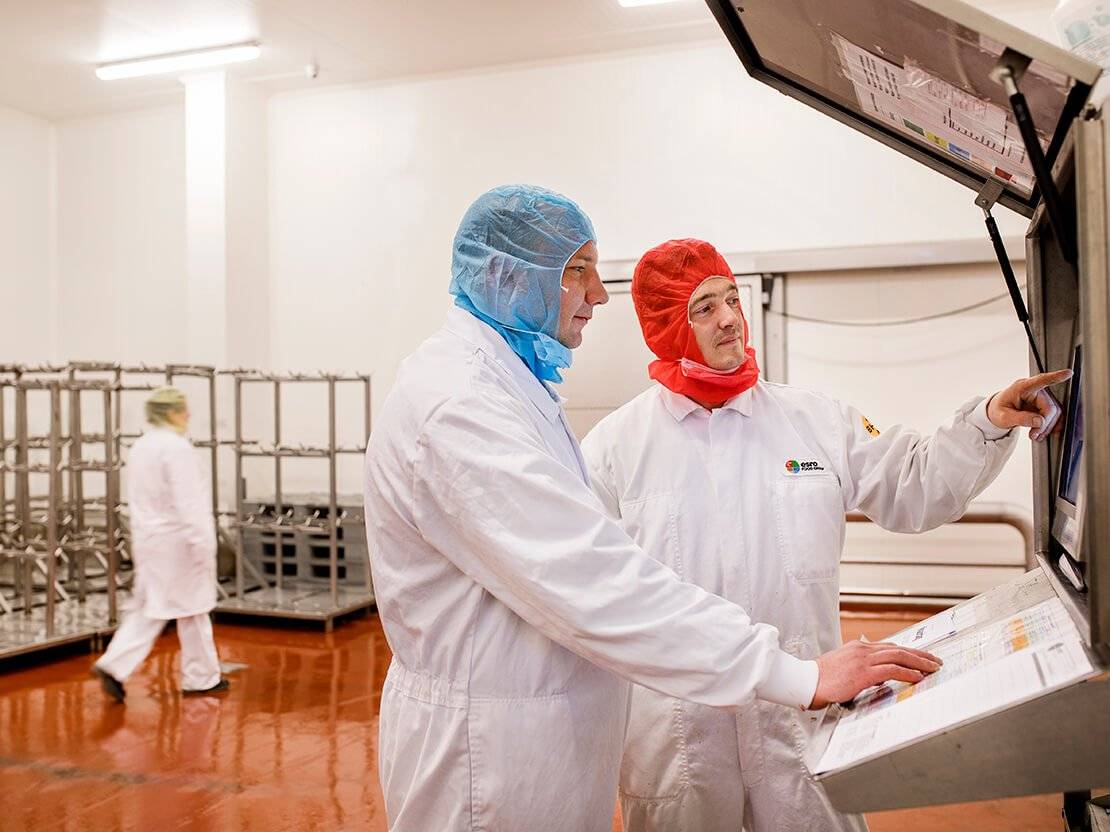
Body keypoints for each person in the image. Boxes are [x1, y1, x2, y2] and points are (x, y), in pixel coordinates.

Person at [363, 187, 940, 832]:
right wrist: (792, 675)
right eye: (578, 270)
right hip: (493, 758)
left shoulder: (513, 390)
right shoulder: (466, 407)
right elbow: (596, 579)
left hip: (546, 739)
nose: (599, 293)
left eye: (732, 300)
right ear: (506, 277)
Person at [580, 237, 1071, 832]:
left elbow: (914, 487)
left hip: (801, 719)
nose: (730, 318)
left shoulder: (813, 420)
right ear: (664, 327)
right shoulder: (614, 450)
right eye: (703, 308)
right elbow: (599, 597)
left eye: (732, 298)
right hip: (680, 738)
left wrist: (987, 421)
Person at [93, 387, 228, 702]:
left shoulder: (142, 446)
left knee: (152, 606)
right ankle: (199, 678)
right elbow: (189, 502)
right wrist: (204, 544)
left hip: (149, 539)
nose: (188, 415)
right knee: (191, 608)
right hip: (179, 542)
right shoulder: (177, 449)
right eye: (183, 409)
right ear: (171, 413)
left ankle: (118, 664)